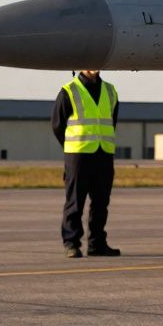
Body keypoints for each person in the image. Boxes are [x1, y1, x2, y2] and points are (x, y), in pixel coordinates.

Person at [51, 70, 121, 258]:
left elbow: (112, 121)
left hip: (104, 152)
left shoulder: (110, 90)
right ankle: (72, 243)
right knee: (75, 201)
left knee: (101, 202)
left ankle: (97, 244)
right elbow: (58, 125)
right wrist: (72, 146)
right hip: (78, 155)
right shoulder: (69, 91)